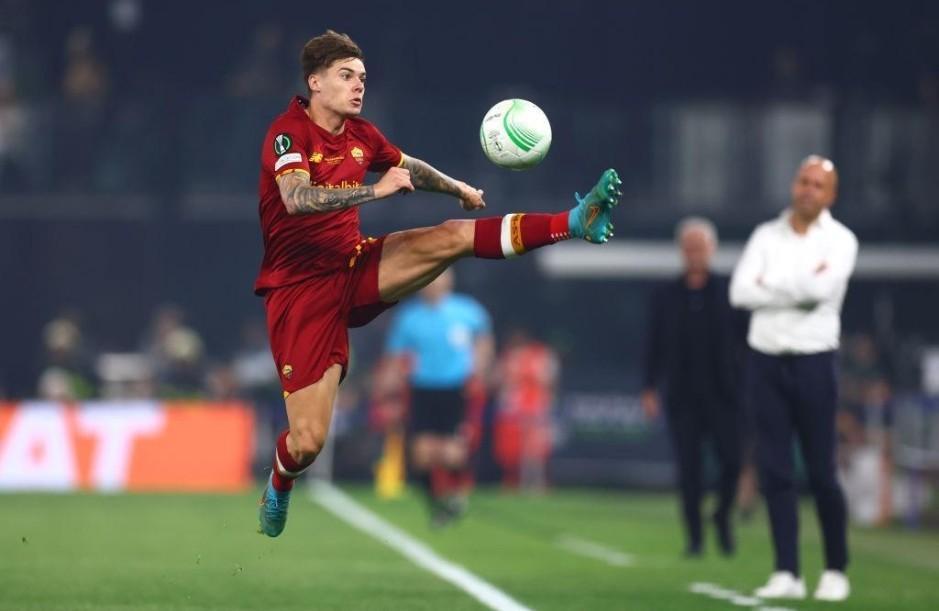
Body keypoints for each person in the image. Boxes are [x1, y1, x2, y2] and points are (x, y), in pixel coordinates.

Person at [254, 30, 621, 537]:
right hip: (298, 294)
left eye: (362, 77)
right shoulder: (288, 133)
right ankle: (280, 481)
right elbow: (296, 199)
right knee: (307, 443)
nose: (358, 86)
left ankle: (573, 221)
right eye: (346, 76)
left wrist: (457, 188)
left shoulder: (362, 135)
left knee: (452, 237)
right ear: (315, 82)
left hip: (354, 267)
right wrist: (376, 190)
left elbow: (409, 166)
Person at [730, 155, 858, 602]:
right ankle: (787, 570)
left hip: (813, 361)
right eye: (803, 181)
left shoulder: (842, 240)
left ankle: (836, 569)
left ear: (831, 195)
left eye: (818, 185)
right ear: (793, 185)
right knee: (775, 472)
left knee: (822, 472)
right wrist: (797, 284)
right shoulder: (766, 234)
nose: (808, 190)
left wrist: (772, 285)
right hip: (765, 360)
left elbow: (821, 294)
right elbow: (740, 291)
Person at [640, 217, 745, 557]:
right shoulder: (666, 295)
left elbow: (746, 343)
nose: (694, 254)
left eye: (700, 247)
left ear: (711, 250)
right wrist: (649, 387)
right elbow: (652, 344)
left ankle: (722, 514)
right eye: (689, 248)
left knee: (732, 461)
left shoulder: (731, 292)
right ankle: (696, 538)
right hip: (682, 395)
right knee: (689, 471)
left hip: (725, 394)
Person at [381, 269, 492, 526]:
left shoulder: (467, 311)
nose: (434, 285)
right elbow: (396, 357)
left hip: (456, 389)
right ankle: (437, 506)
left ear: (449, 282)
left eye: (440, 279)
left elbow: (484, 341)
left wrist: (481, 366)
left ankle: (456, 495)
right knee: (421, 454)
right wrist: (390, 389)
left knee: (451, 452)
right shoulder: (409, 317)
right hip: (423, 388)